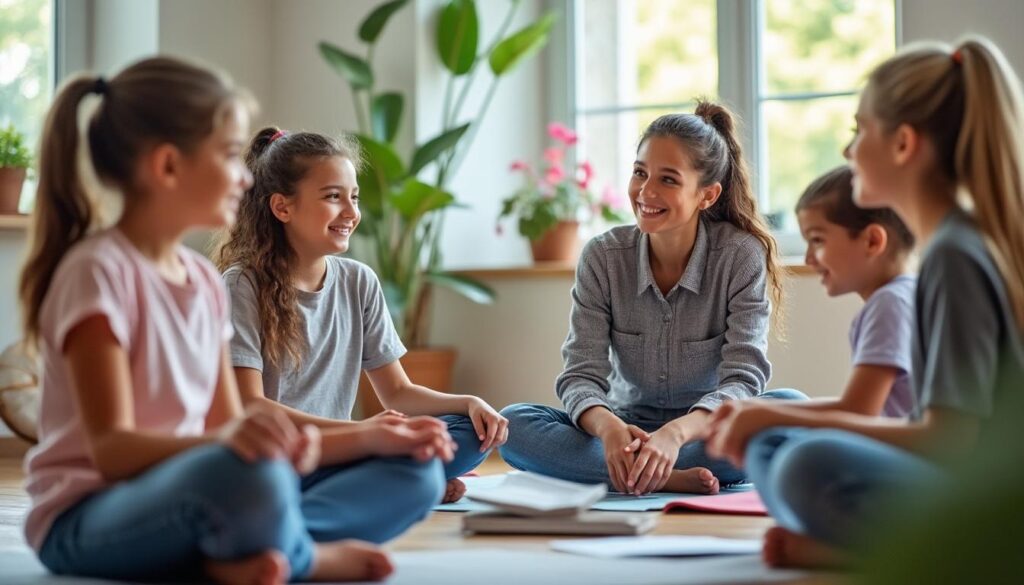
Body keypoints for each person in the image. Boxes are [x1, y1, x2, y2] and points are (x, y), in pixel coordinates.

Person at [18, 57, 413, 583]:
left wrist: (370, 439)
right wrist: (237, 447)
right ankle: (302, 556)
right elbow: (112, 452)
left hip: (188, 491)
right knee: (245, 476)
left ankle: (228, 554)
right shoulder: (98, 272)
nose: (245, 177)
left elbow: (229, 423)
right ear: (167, 166)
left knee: (414, 471)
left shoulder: (201, 281)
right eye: (230, 156)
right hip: (85, 519)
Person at [706, 36, 1024, 569]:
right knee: (776, 446)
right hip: (959, 484)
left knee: (807, 462)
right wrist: (767, 415)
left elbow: (947, 441)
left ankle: (908, 552)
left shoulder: (954, 254)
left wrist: (771, 415)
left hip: (988, 497)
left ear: (903, 144)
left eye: (860, 131)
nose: (849, 152)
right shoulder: (949, 247)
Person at [500, 101, 803, 496]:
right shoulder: (603, 257)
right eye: (640, 172)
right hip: (625, 428)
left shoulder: (739, 255)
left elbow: (743, 380)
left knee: (792, 410)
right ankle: (664, 476)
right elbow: (580, 375)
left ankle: (627, 474)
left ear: (707, 195)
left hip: (703, 431)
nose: (646, 191)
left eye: (669, 180)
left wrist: (675, 435)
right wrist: (608, 429)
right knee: (512, 425)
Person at [215, 128, 507, 505]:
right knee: (277, 476)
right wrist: (362, 434)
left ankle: (389, 481)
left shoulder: (359, 281)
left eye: (353, 197)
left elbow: (399, 393)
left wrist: (467, 402)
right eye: (333, 197)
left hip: (350, 452)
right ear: (282, 207)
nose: (352, 213)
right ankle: (399, 483)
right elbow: (249, 405)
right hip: (279, 456)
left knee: (471, 432)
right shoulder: (242, 284)